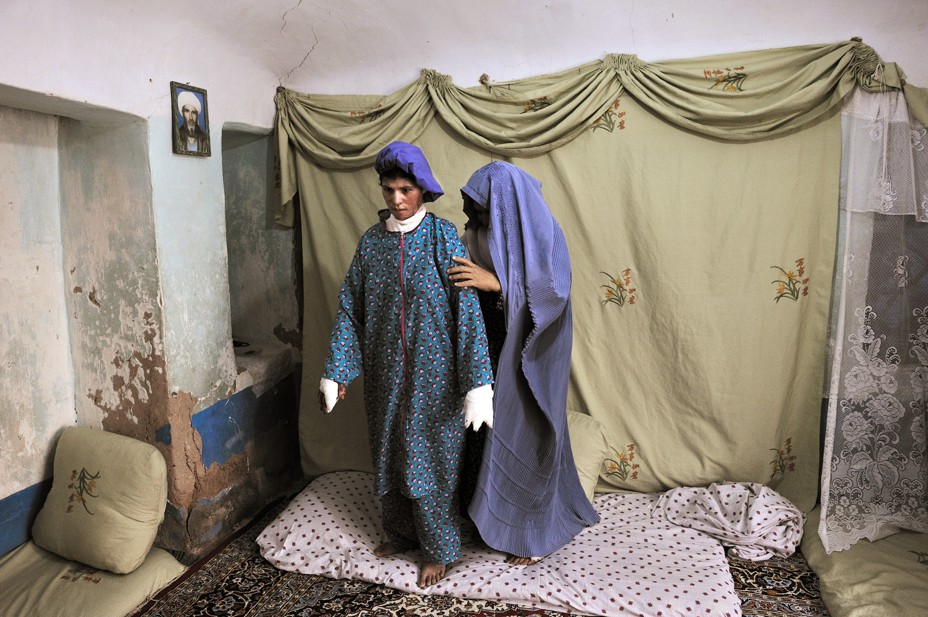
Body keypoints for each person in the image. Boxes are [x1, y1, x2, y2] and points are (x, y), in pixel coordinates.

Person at [318, 141, 495, 588]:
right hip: (384, 376)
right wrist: (337, 370)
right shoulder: (372, 244)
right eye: (389, 189)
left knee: (430, 461)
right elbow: (349, 309)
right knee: (389, 454)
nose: (396, 199)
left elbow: (467, 311)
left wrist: (477, 384)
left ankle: (439, 549)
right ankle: (399, 532)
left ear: (422, 191)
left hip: (437, 382)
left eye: (406, 190)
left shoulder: (442, 238)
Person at [447, 161, 599, 565]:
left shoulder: (545, 232)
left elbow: (554, 295)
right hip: (487, 342)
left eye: (484, 208)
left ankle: (529, 535)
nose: (477, 216)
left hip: (528, 350)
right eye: (474, 208)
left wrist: (497, 284)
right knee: (479, 429)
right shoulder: (475, 230)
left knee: (527, 432)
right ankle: (481, 519)